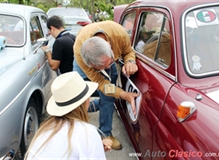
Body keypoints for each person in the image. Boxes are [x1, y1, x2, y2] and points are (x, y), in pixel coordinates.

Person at [73, 20, 140, 150]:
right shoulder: (80, 53)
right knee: (79, 95)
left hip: (105, 57)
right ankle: (78, 132)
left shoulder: (119, 34)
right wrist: (123, 94)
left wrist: (130, 61)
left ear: (110, 46)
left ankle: (105, 134)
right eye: (101, 68)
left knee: (108, 96)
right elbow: (101, 83)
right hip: (83, 65)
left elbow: (128, 51)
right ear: (91, 64)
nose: (106, 69)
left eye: (109, 64)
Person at [24, 71, 112, 159]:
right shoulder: (87, 133)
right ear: (85, 102)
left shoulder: (45, 128)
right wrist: (94, 145)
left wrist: (96, 146)